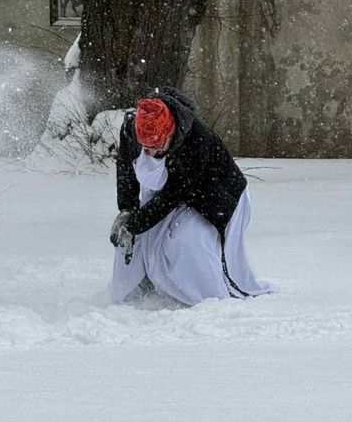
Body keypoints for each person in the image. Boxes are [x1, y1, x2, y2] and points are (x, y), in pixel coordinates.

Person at [109, 87, 273, 306]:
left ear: (170, 131)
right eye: (145, 149)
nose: (150, 154)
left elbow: (173, 195)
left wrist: (134, 224)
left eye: (157, 147)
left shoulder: (196, 139)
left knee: (185, 240)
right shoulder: (132, 129)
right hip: (173, 190)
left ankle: (207, 297)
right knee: (136, 239)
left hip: (214, 196)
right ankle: (141, 286)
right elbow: (126, 168)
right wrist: (127, 210)